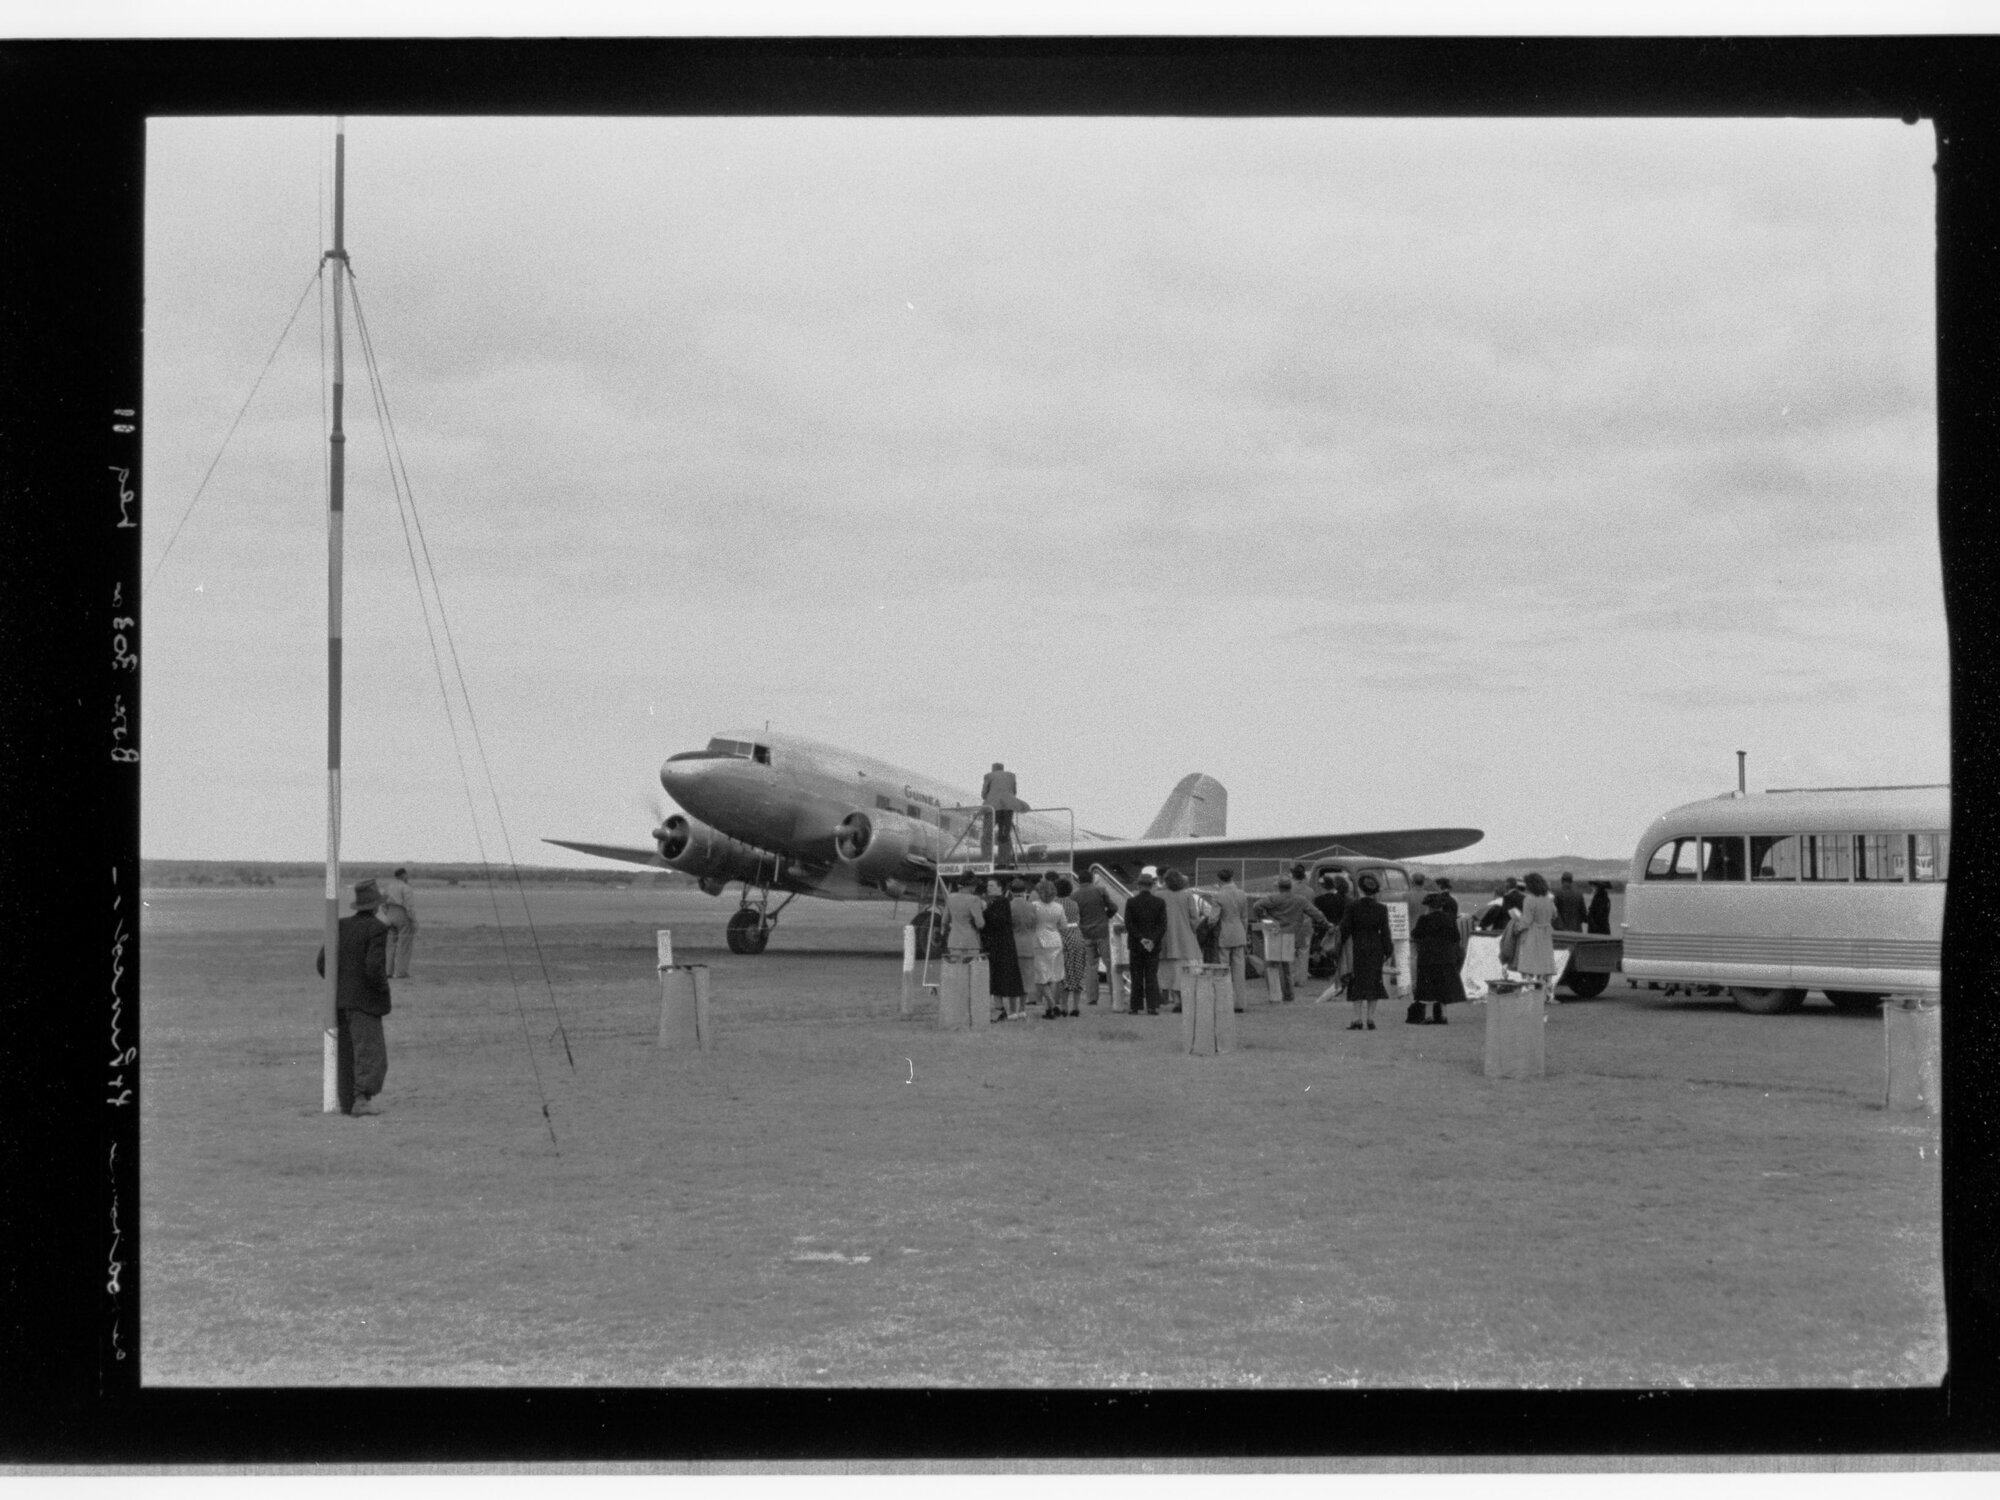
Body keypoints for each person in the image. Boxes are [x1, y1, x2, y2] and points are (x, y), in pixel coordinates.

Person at [314, 877, 395, 1116]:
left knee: (346, 1053)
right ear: (376, 905)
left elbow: (322, 964)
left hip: (339, 1003)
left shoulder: (340, 926)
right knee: (370, 1053)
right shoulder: (377, 929)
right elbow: (374, 968)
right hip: (365, 1003)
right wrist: (381, 989)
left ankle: (348, 1101)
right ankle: (362, 1100)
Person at [1250, 876, 1321, 1003]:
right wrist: (1326, 923)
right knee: (1287, 965)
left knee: (1272, 965)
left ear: (1279, 887)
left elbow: (1256, 905)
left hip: (1275, 932)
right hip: (1291, 934)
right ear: (1290, 887)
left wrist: (1264, 916)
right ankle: (1289, 995)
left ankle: (1275, 994)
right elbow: (1315, 913)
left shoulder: (1273, 898)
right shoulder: (1300, 900)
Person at [1338, 870, 1393, 1031]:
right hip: (1376, 947)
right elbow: (1385, 931)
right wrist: (1388, 950)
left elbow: (1345, 928)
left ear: (1360, 889)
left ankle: (1357, 1019)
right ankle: (1370, 1019)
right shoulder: (1382, 909)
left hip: (1357, 947)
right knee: (1374, 982)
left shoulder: (1352, 906)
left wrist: (1339, 946)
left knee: (1357, 982)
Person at [1411, 891, 1467, 1024]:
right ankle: (1444, 1015)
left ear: (1429, 906)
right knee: (1443, 986)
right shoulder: (1449, 919)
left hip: (1428, 957)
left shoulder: (1424, 919)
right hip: (1446, 957)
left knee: (1428, 987)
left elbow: (1415, 934)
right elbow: (1456, 937)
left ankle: (1429, 1015)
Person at [1159, 868, 1207, 1014]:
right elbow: (1195, 919)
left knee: (1171, 972)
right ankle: (1188, 1000)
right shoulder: (1188, 896)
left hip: (1166, 940)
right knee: (1187, 971)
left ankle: (1177, 1001)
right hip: (1186, 940)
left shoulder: (1160, 896)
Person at [1122, 869, 1168, 1016]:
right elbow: (1162, 925)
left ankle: (1135, 1006)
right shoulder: (1160, 902)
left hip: (1136, 944)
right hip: (1153, 946)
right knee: (1151, 975)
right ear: (1152, 885)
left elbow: (1129, 924)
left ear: (1139, 886)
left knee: (1136, 975)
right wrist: (1152, 940)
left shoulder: (1131, 902)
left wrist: (1141, 938)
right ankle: (1152, 1006)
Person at [1070, 873, 1117, 1006]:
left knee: (1090, 966)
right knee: (1109, 963)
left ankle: (1091, 998)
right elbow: (1113, 907)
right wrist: (1106, 916)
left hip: (1085, 932)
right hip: (1102, 931)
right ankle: (1114, 996)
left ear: (1079, 881)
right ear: (1091, 880)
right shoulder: (1100, 890)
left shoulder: (1074, 896)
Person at [981, 879, 1025, 1021]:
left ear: (1000, 888)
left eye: (992, 885)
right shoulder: (994, 903)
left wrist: (984, 910)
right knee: (995, 979)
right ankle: (999, 1008)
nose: (989, 888)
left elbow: (997, 921)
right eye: (988, 886)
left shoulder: (1002, 902)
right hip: (995, 946)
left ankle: (1004, 1010)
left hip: (1003, 947)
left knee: (1001, 978)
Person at [1210, 867, 1252, 1013]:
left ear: (1219, 880)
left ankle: (1224, 1000)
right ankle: (1240, 1002)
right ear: (1232, 878)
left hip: (1224, 933)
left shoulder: (1218, 895)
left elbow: (1213, 919)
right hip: (1239, 931)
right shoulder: (1242, 893)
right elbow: (1245, 917)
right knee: (1239, 970)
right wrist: (1244, 932)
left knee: (1223, 968)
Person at [1512, 871, 1559, 986]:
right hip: (1546, 933)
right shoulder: (1548, 898)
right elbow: (1554, 914)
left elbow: (1526, 921)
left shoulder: (1529, 899)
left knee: (1530, 966)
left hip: (1532, 935)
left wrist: (1517, 928)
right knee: (1545, 965)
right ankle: (1546, 993)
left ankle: (1530, 992)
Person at [1031, 878, 1067, 1018]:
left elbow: (1031, 922)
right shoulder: (1058, 907)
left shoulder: (1034, 906)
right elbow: (1064, 926)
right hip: (1056, 941)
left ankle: (1051, 1004)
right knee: (1054, 976)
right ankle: (1050, 1008)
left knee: (1040, 977)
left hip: (1039, 941)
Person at [1054, 877, 1088, 1017]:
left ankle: (1064, 1006)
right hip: (1077, 937)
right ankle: (1076, 1006)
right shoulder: (1074, 904)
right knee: (1077, 970)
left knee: (1064, 973)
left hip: (1062, 938)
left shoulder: (1055, 904)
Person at [1008, 878, 1040, 1017]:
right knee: (1026, 978)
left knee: (1013, 978)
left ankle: (1012, 1010)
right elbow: (1035, 925)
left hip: (1013, 944)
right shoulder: (1032, 907)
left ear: (1010, 892)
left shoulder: (1009, 906)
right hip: (1028, 944)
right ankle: (1022, 1009)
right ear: (1025, 891)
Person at [980, 762, 1019, 864]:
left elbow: (984, 794)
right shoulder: (1012, 776)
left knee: (987, 836)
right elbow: (1014, 792)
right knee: (1004, 835)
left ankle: (987, 861)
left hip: (993, 808)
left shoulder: (989, 776)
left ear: (993, 769)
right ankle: (1004, 862)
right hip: (1008, 808)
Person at [383, 865, 418, 979]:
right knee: (405, 945)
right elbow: (409, 907)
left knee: (389, 945)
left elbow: (383, 903)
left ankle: (388, 971)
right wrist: (413, 920)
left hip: (389, 914)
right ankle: (401, 972)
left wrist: (387, 914)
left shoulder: (389, 886)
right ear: (403, 875)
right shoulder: (406, 888)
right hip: (402, 914)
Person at [944, 872, 985, 956]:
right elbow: (980, 924)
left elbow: (944, 920)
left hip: (954, 941)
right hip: (970, 941)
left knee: (957, 968)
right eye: (975, 885)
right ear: (971, 886)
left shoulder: (950, 898)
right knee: (971, 968)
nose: (976, 887)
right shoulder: (974, 899)